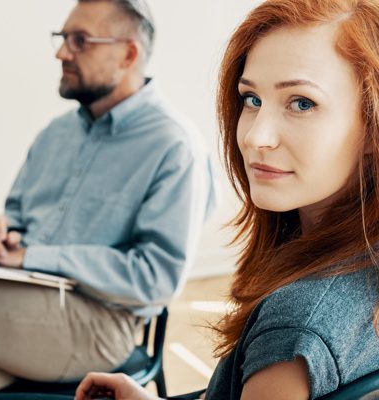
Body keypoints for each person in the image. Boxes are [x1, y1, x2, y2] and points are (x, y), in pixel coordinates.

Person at [73, 0, 379, 399]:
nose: (255, 137)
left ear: (372, 127)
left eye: (302, 103)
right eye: (252, 100)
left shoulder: (296, 325)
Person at [0, 0, 216, 392]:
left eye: (79, 40)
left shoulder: (175, 147)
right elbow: (17, 214)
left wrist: (32, 256)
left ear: (128, 53)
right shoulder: (55, 134)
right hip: (20, 294)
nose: (60, 52)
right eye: (62, 38)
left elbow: (155, 278)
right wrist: (1, 232)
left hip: (102, 320)